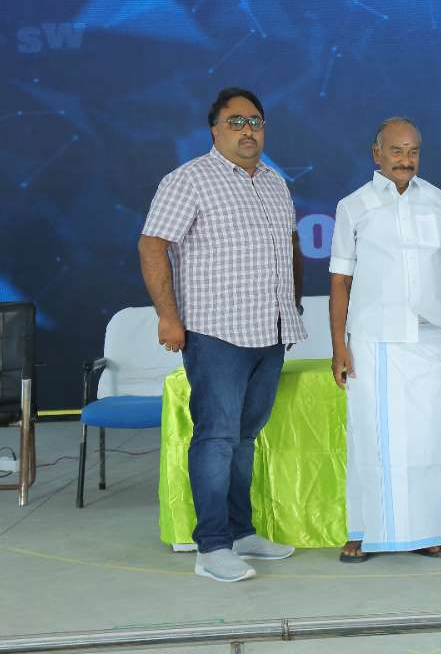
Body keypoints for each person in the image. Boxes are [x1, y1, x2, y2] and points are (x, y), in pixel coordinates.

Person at [139, 87, 305, 583]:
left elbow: (290, 245)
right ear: (214, 129)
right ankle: (211, 547)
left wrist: (292, 305)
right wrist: (168, 317)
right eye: (236, 122)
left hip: (270, 330)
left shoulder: (275, 183)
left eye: (255, 121)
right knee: (216, 437)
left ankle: (240, 531)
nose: (247, 130)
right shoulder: (189, 179)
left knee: (245, 437)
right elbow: (152, 246)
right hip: (216, 333)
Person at [328, 117, 441, 563]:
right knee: (370, 436)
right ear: (377, 154)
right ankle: (364, 530)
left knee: (430, 437)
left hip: (432, 335)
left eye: (413, 151)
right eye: (396, 151)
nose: (405, 160)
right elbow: (340, 280)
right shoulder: (353, 206)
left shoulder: (439, 202)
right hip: (373, 339)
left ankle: (427, 531)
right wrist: (339, 345)